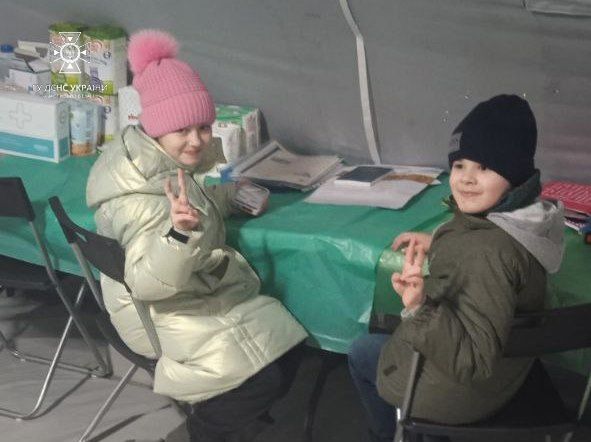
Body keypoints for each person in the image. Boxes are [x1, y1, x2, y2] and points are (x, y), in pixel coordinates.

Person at [86, 29, 307, 442]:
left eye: (203, 127)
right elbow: (147, 284)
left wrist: (232, 195)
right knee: (264, 377)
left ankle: (232, 422)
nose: (197, 140)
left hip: (192, 291)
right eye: (182, 130)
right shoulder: (142, 203)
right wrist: (178, 235)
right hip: (163, 311)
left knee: (288, 343)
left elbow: (200, 192)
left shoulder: (163, 164)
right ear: (156, 129)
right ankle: (201, 432)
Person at [348, 95, 565, 442]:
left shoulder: (486, 255)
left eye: (484, 167)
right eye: (460, 165)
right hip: (510, 372)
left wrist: (419, 308)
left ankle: (392, 435)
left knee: (361, 352)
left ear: (514, 174)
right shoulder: (526, 222)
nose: (466, 179)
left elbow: (473, 362)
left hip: (456, 393)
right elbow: (483, 247)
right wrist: (440, 239)